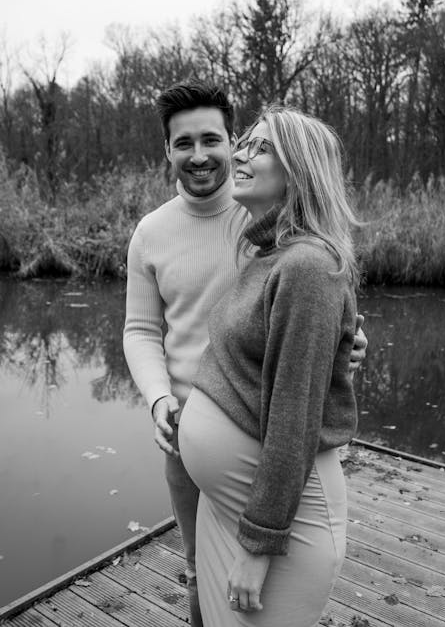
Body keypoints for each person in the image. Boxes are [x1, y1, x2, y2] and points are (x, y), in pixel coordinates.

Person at [123, 82, 367, 627]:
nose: (202, 154)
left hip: (267, 443)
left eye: (214, 138)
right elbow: (140, 329)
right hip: (184, 430)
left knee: (252, 598)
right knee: (197, 573)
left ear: (229, 139)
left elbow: (313, 310)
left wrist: (342, 346)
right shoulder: (155, 232)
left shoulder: (263, 225)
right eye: (183, 143)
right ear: (167, 150)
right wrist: (159, 399)